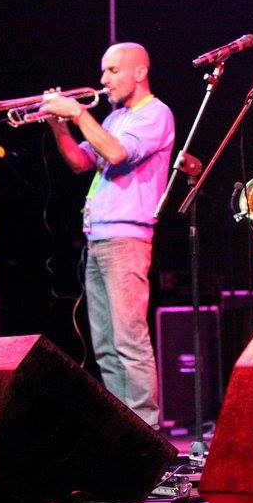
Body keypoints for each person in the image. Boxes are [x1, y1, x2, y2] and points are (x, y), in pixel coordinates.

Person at [41, 42, 174, 429]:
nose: (103, 79)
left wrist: (78, 112)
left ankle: (146, 430)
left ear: (139, 73)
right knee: (105, 346)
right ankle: (123, 430)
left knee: (129, 340)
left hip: (126, 240)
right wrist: (58, 124)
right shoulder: (114, 118)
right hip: (97, 240)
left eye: (112, 70)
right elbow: (80, 161)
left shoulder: (156, 113)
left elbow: (116, 154)